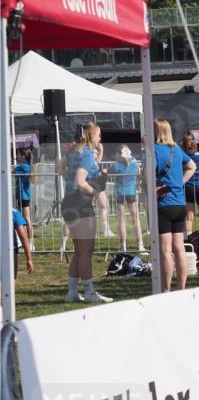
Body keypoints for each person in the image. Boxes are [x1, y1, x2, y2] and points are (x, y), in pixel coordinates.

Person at [62, 121, 112, 303]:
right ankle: (90, 291)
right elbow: (80, 180)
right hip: (80, 204)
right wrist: (95, 193)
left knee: (79, 250)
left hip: (69, 201)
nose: (100, 138)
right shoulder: (87, 155)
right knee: (85, 251)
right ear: (91, 135)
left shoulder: (73, 151)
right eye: (98, 134)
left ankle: (72, 292)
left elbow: (60, 168)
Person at [154, 119, 196, 292]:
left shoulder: (154, 150)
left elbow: (149, 174)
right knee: (179, 248)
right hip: (179, 204)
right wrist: (180, 182)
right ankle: (181, 287)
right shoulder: (177, 149)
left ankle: (166, 290)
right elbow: (192, 166)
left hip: (163, 204)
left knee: (165, 250)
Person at [109, 146, 145, 252]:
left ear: (119, 154)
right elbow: (138, 172)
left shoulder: (116, 165)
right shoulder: (134, 162)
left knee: (122, 220)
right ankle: (140, 245)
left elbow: (109, 172)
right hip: (131, 192)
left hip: (120, 192)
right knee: (136, 219)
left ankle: (123, 246)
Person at [13, 147, 33, 250]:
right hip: (22, 196)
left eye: (18, 155)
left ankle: (30, 243)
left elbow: (12, 171)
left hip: (23, 196)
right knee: (22, 220)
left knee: (26, 219)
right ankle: (25, 242)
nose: (17, 156)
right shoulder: (25, 166)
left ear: (23, 156)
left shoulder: (24, 166)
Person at [12, 209, 34, 283]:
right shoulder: (13, 212)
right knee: (11, 280)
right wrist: (29, 259)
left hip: (10, 251)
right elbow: (23, 236)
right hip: (10, 252)